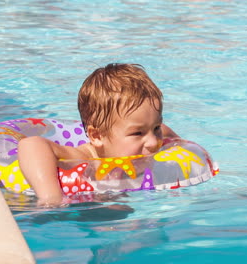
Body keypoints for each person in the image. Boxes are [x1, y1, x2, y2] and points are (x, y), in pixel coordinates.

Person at [18, 63, 179, 206]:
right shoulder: (82, 158)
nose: (152, 142)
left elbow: (165, 131)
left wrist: (178, 144)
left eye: (155, 128)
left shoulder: (153, 137)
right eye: (138, 132)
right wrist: (51, 197)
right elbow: (31, 144)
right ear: (96, 136)